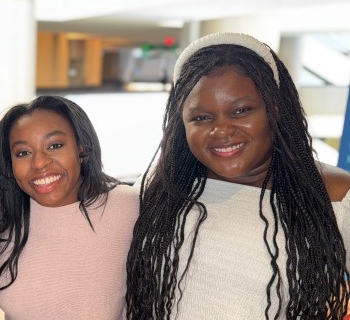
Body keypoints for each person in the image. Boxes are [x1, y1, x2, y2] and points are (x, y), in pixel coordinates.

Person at [126, 32, 350, 319]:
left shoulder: (335, 195)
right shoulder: (161, 183)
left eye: (242, 110)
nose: (222, 130)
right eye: (201, 117)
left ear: (275, 109)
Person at [0, 95, 140, 319]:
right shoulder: (4, 214)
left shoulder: (128, 207)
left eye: (55, 145)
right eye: (23, 153)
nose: (39, 163)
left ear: (81, 148)